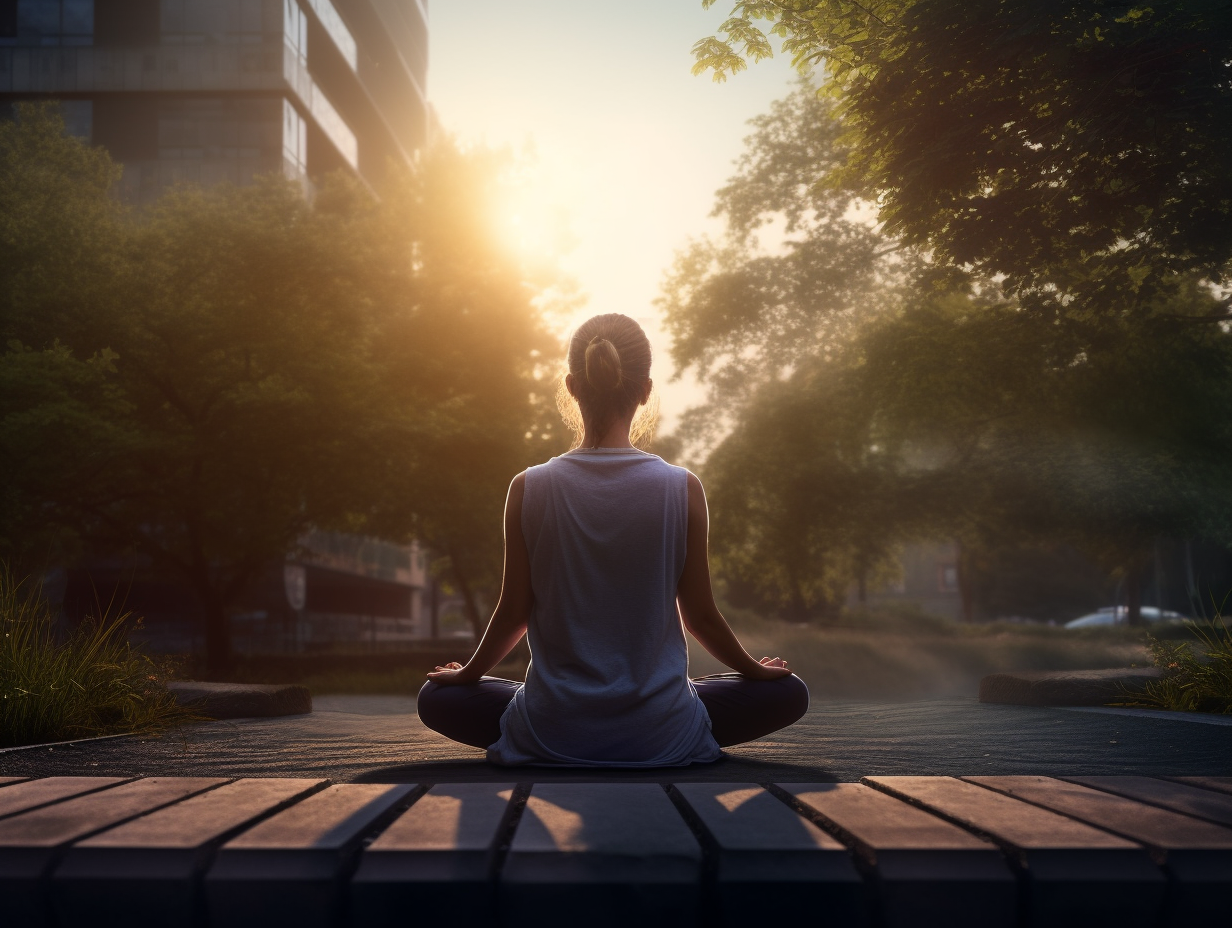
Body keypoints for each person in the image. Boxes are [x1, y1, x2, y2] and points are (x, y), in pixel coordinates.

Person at [417, 313, 808, 766]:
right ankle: (664, 716)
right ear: (645, 391)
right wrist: (756, 672)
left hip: (553, 732)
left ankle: (558, 724)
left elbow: (513, 614)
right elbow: (699, 616)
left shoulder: (529, 487)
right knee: (788, 693)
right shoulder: (682, 488)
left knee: (436, 697)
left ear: (571, 386)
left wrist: (468, 675)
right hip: (662, 736)